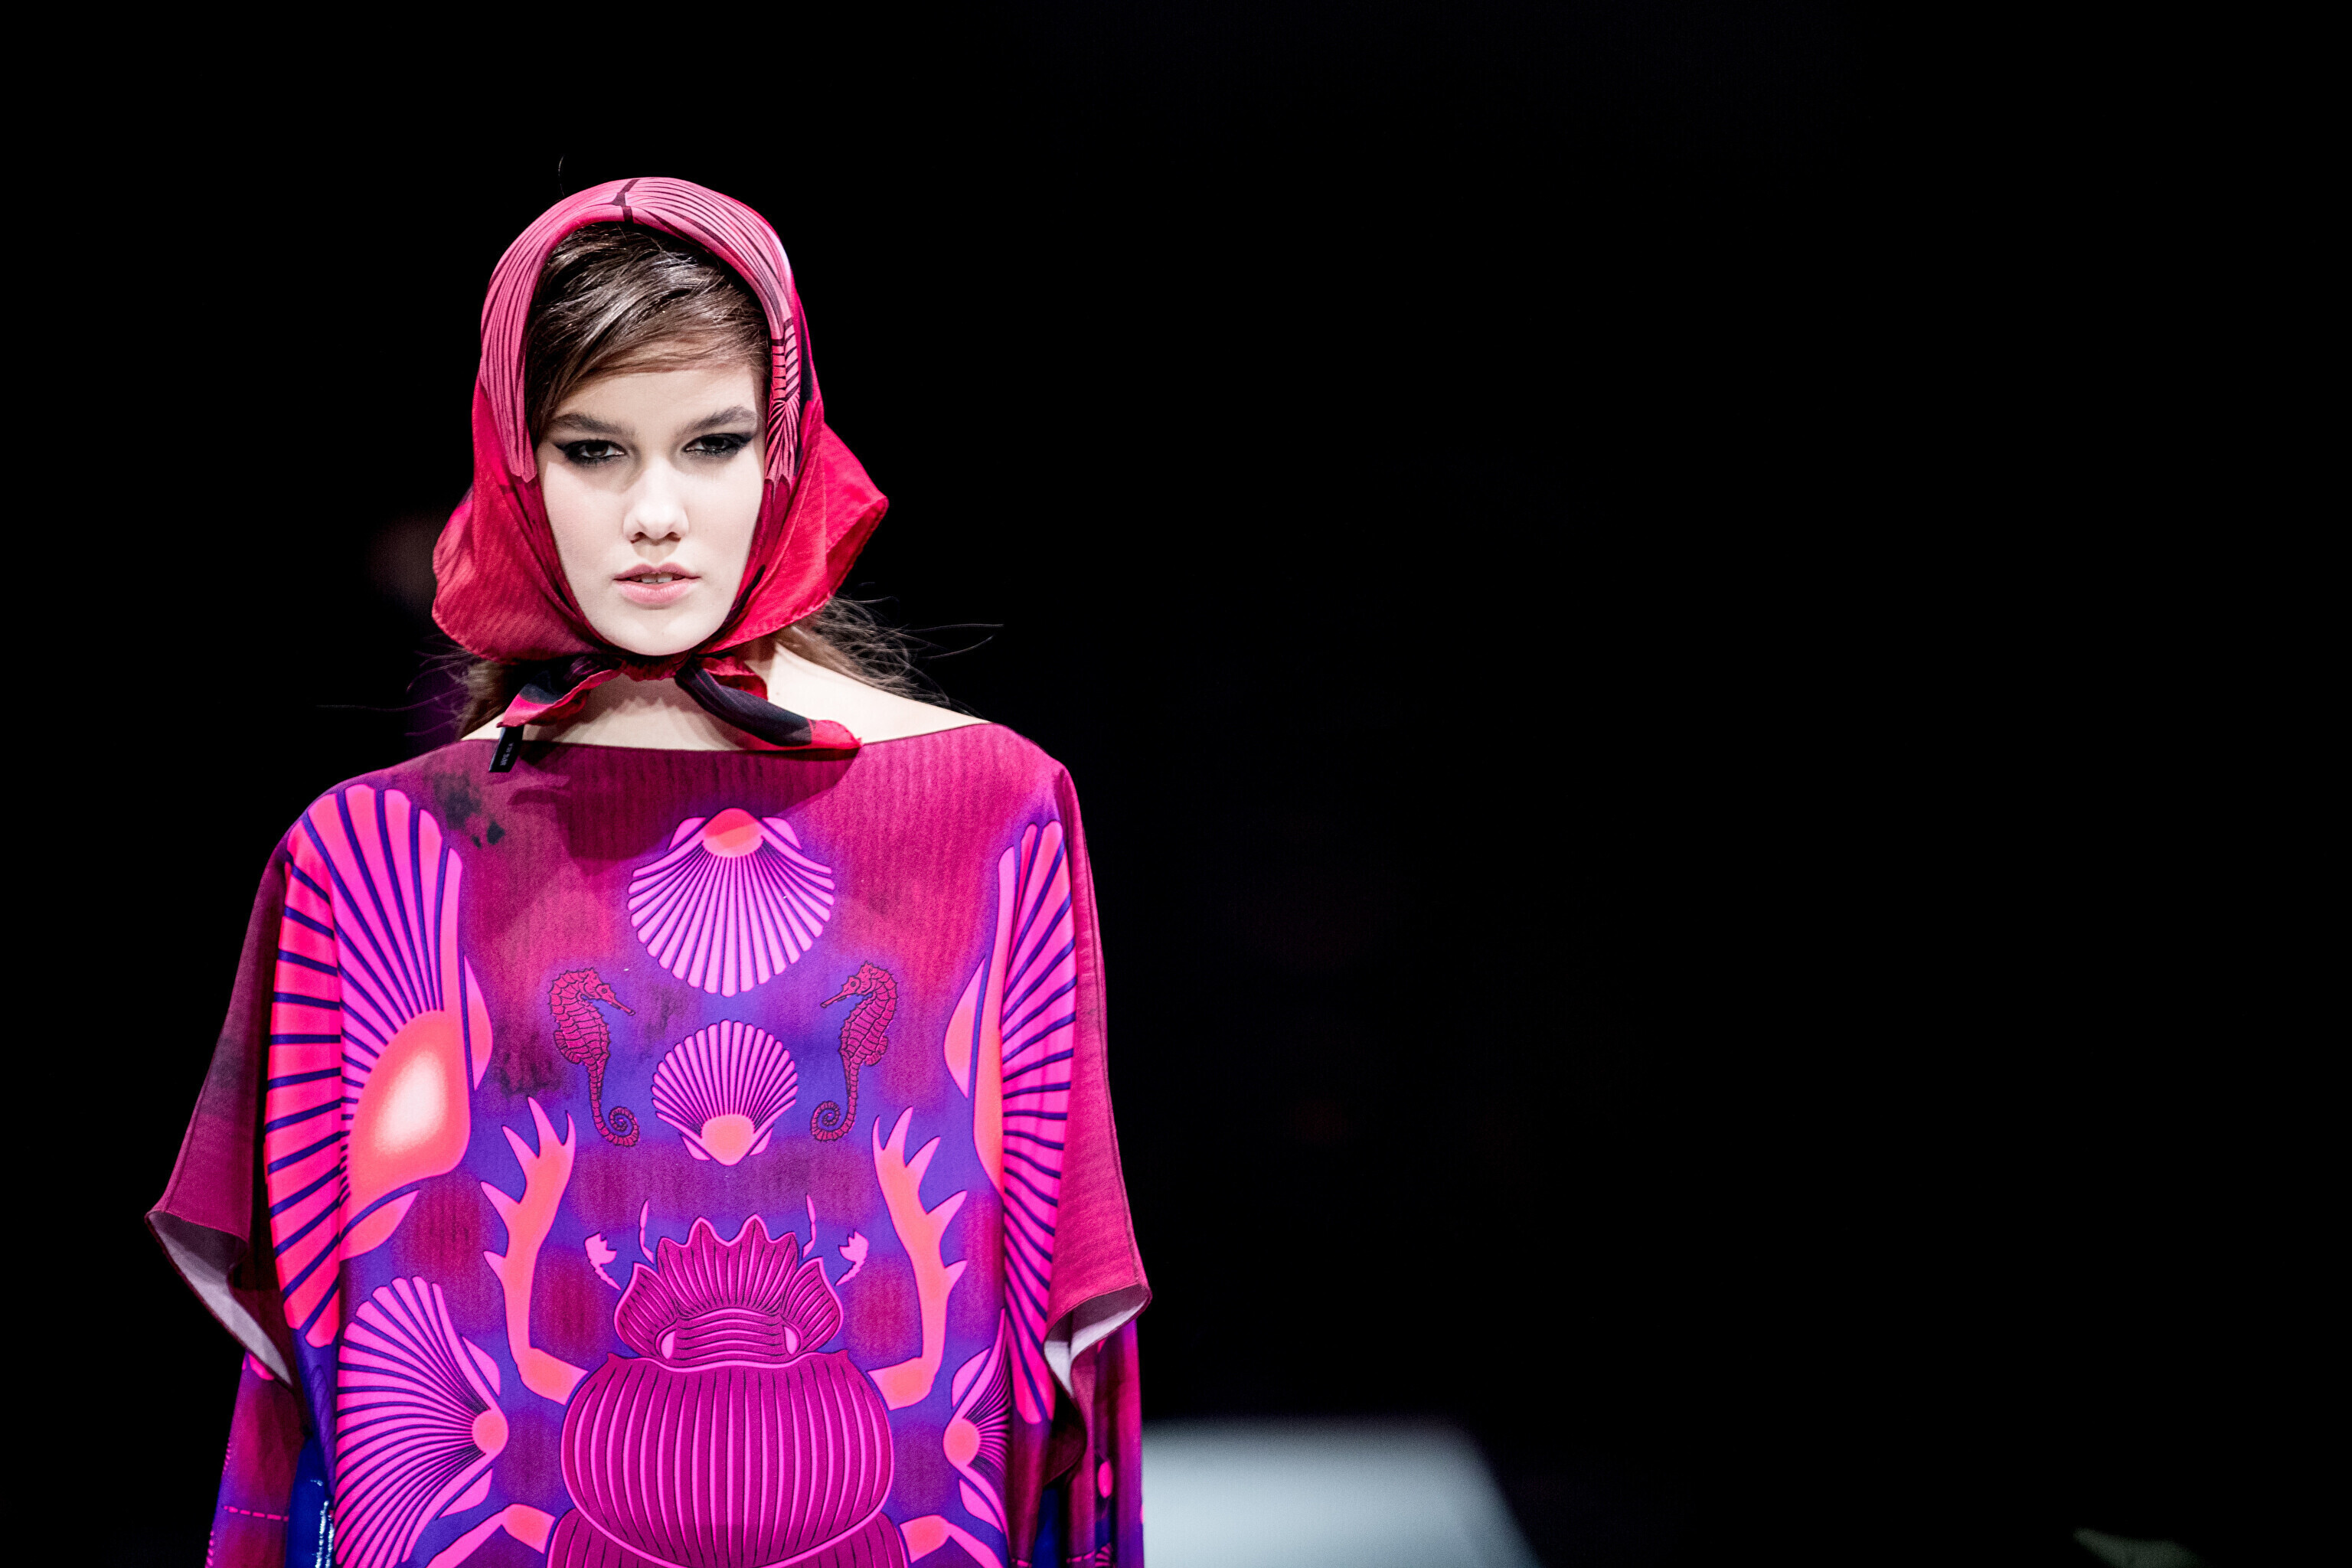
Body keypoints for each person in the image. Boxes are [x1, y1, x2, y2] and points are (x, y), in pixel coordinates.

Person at [150, 177, 1148, 1568]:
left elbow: (1052, 1295)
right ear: (515, 464)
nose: (657, 513)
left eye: (714, 443)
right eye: (593, 450)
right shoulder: (374, 856)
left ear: (789, 449)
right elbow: (336, 1347)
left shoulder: (993, 813)